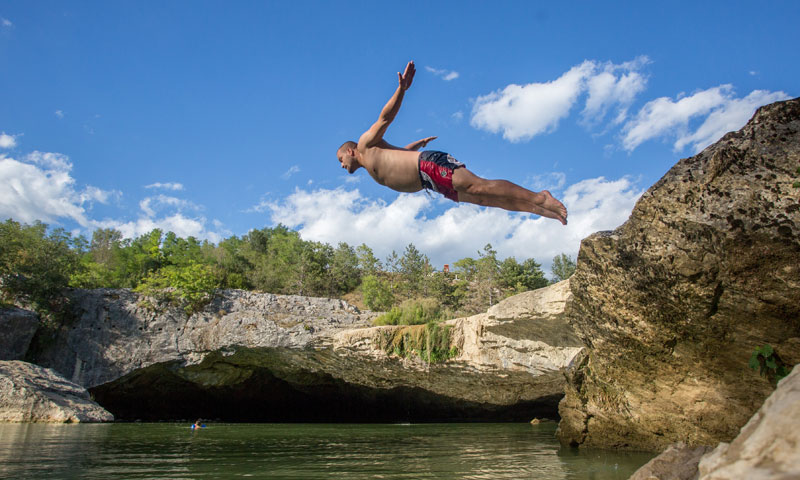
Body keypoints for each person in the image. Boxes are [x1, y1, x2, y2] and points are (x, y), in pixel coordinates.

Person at [336, 61, 568, 225]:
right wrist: (418, 143)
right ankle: (537, 208)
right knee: (483, 199)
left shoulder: (365, 144)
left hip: (429, 166)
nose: (342, 165)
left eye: (341, 159)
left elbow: (385, 118)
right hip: (432, 183)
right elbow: (400, 154)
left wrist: (401, 90)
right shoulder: (373, 161)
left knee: (479, 186)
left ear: (350, 151)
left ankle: (540, 197)